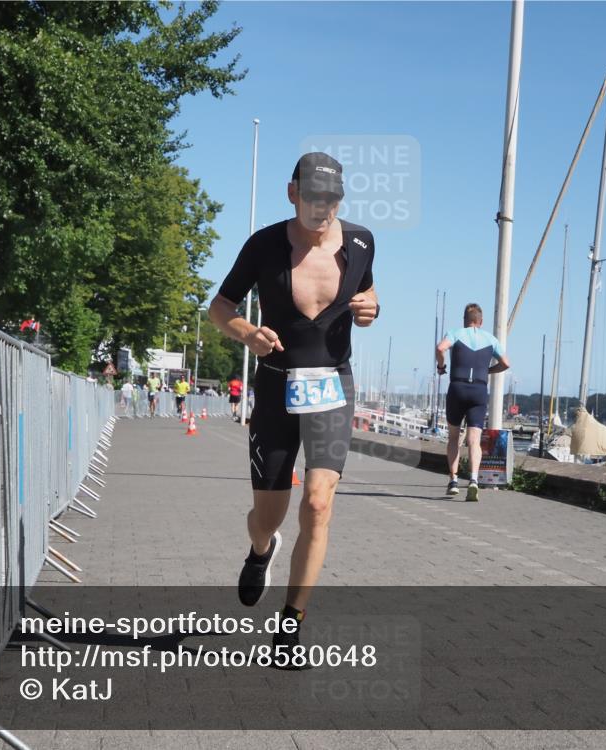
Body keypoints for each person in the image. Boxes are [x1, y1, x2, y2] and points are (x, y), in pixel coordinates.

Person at [209, 152, 378, 665]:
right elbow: (220, 307)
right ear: (292, 193)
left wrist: (371, 309)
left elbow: (367, 295)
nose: (322, 208)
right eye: (312, 198)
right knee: (268, 516)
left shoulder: (361, 243)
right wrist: (246, 332)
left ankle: (290, 626)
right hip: (277, 387)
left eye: (331, 199)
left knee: (319, 503)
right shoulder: (263, 244)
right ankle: (261, 550)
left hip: (332, 385)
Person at [435, 303, 510, 502]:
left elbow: (440, 348)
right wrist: (488, 371)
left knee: (453, 438)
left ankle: (453, 481)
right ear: (481, 321)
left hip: (457, 388)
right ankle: (474, 480)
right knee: (474, 441)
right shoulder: (491, 339)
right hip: (479, 390)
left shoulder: (455, 333)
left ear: (465, 320)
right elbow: (506, 363)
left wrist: (441, 366)